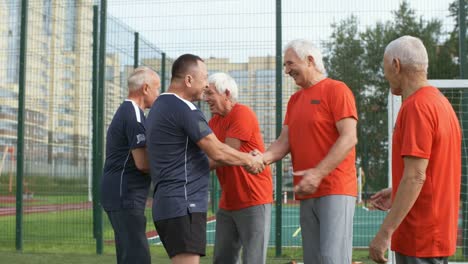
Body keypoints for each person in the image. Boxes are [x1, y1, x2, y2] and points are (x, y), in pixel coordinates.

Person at [145, 54, 265, 264]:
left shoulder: (158, 106)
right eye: (204, 78)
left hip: (168, 203)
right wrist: (250, 160)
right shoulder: (184, 108)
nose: (205, 85)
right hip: (185, 203)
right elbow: (218, 151)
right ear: (189, 80)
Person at [262, 39, 358, 264]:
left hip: (336, 188)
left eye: (289, 64)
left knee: (331, 258)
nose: (286, 71)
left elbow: (349, 137)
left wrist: (317, 173)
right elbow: (283, 142)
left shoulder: (337, 90)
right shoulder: (294, 101)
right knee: (313, 260)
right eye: (284, 66)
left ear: (310, 60)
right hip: (307, 191)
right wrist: (262, 158)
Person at [369, 36, 461, 264]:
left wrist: (384, 233)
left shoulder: (416, 107)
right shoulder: (440, 103)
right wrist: (398, 189)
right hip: (435, 232)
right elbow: (429, 171)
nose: (385, 75)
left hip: (419, 236)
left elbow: (416, 176)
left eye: (385, 67)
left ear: (396, 65)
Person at [204, 72, 273, 264]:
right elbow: (205, 153)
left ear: (226, 93)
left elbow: (225, 154)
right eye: (205, 94)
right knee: (222, 259)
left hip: (253, 198)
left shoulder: (242, 113)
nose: (205, 98)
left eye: (210, 94)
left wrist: (190, 169)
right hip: (229, 200)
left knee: (253, 260)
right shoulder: (213, 122)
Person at [100, 66, 161, 264]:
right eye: (157, 88)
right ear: (145, 88)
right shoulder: (133, 115)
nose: (158, 94)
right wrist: (173, 165)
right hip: (124, 195)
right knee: (137, 258)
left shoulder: (130, 112)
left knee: (129, 256)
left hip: (121, 195)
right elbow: (143, 163)